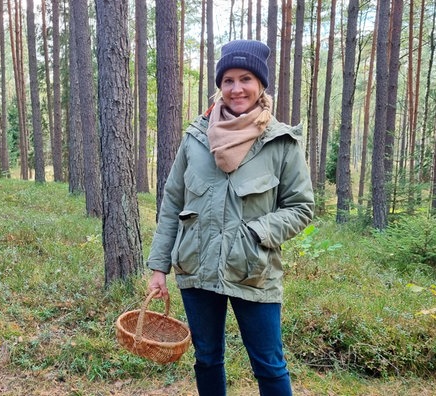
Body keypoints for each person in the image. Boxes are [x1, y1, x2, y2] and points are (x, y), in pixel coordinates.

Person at [146, 39, 314, 396]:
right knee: (207, 358)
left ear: (261, 85)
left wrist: (256, 232)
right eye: (229, 80)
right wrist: (159, 267)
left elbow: (301, 207)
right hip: (196, 266)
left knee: (269, 365)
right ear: (219, 86)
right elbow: (172, 203)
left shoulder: (281, 143)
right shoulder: (195, 138)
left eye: (246, 78)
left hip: (253, 271)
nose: (237, 88)